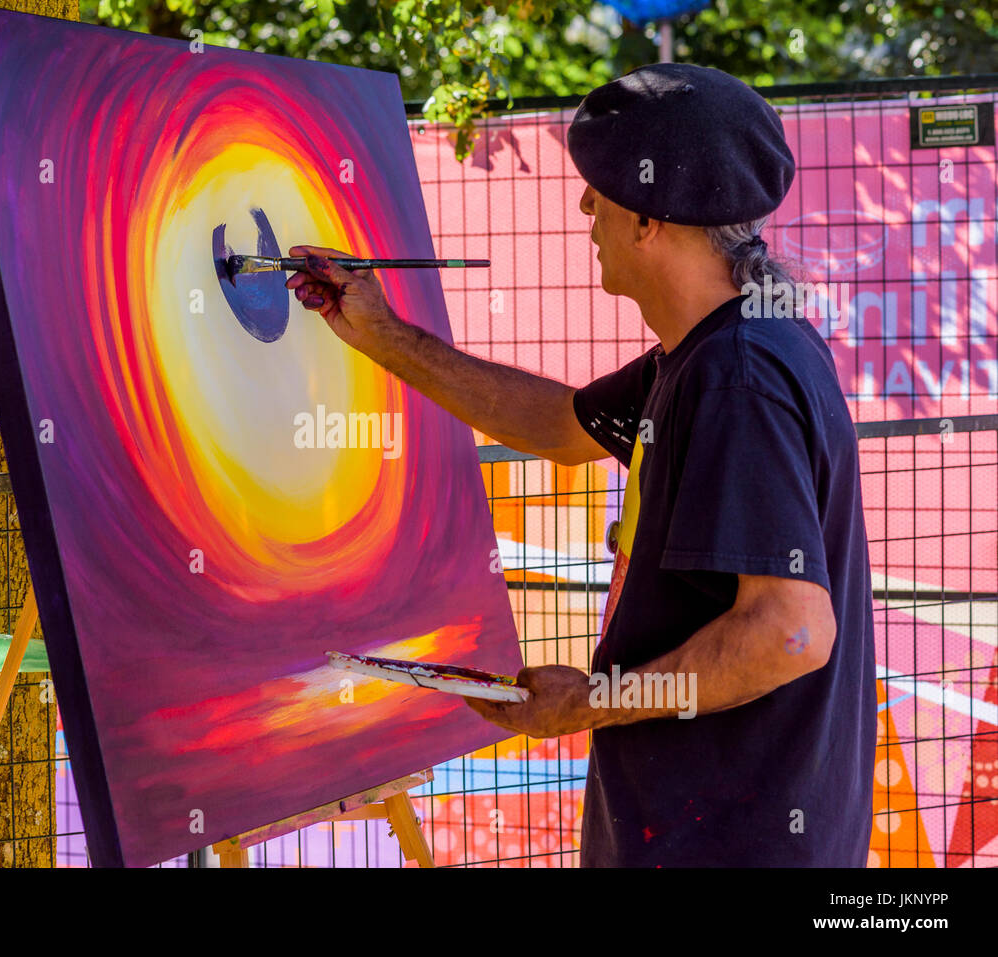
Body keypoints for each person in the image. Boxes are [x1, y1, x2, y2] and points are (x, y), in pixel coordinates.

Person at [285, 63, 876, 867]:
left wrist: (590, 701)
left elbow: (792, 630)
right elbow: (559, 425)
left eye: (600, 189)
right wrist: (383, 335)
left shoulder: (736, 374)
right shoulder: (710, 352)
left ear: (648, 220)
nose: (584, 206)